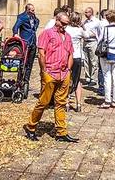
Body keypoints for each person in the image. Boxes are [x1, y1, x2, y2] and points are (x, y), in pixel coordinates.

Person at [23, 11, 79, 143]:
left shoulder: (68, 36)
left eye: (67, 24)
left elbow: (71, 54)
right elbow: (41, 53)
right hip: (50, 72)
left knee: (61, 103)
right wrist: (44, 71)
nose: (65, 26)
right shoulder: (47, 34)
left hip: (64, 73)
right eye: (63, 23)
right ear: (57, 21)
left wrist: (69, 70)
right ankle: (31, 127)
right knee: (43, 102)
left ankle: (61, 132)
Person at [97, 9, 115, 108]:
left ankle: (107, 100)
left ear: (107, 18)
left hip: (106, 54)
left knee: (107, 76)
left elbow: (100, 40)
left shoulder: (105, 29)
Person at [13, 3, 40, 88]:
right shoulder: (22, 17)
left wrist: (35, 19)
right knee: (23, 62)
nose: (33, 12)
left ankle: (26, 81)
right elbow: (15, 27)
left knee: (30, 63)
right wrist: (15, 34)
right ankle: (19, 80)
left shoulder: (33, 18)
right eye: (32, 10)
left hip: (33, 42)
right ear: (27, 10)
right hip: (25, 42)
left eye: (33, 10)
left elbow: (36, 23)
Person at [65, 12, 87, 111]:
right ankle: (78, 104)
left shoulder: (66, 29)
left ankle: (66, 103)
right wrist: (83, 26)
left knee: (66, 79)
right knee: (77, 80)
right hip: (77, 56)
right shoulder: (80, 30)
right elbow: (87, 35)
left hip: (67, 56)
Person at [82, 7, 103, 89]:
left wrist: (93, 35)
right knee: (86, 60)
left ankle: (93, 78)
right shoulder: (85, 22)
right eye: (85, 12)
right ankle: (88, 77)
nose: (85, 14)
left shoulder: (97, 22)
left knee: (93, 60)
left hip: (93, 42)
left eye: (87, 12)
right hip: (85, 42)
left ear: (91, 12)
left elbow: (99, 33)